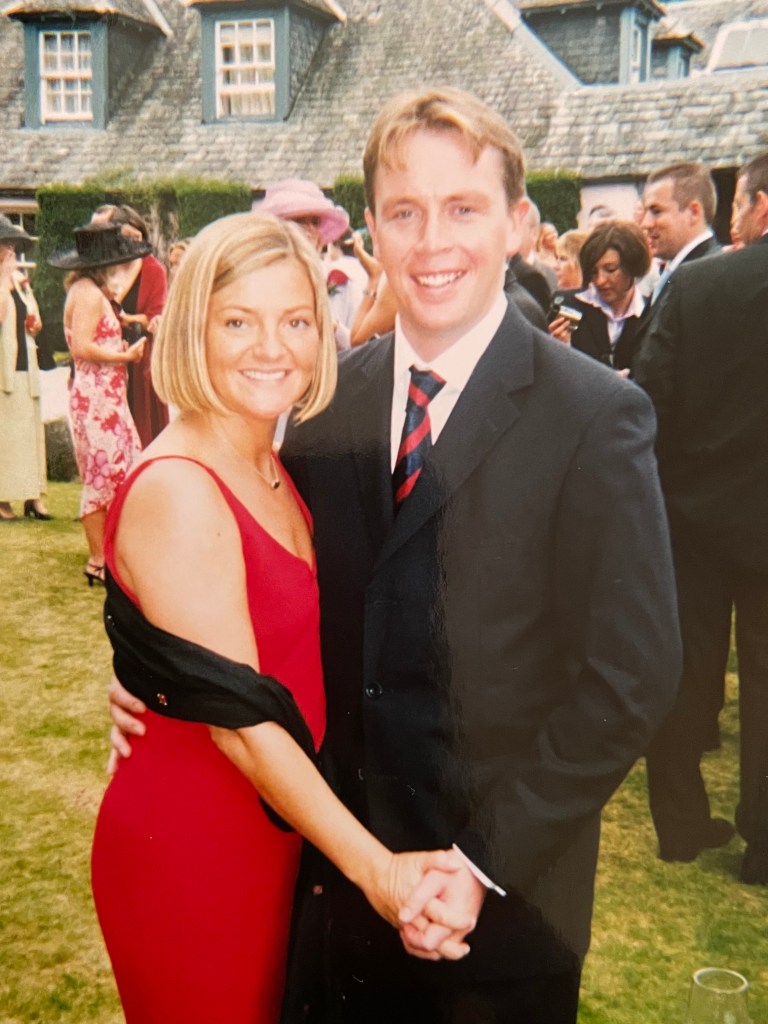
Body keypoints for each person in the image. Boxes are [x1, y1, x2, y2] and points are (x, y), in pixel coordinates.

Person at [110, 87, 680, 1024]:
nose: (432, 240)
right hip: (333, 899)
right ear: (372, 228)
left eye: (463, 208)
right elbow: (258, 588)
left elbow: (633, 676)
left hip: (498, 922)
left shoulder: (593, 416)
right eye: (404, 212)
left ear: (518, 223)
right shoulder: (323, 404)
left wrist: (484, 865)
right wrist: (158, 669)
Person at [92, 211, 467, 1024]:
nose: (272, 347)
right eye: (238, 322)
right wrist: (379, 871)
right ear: (193, 330)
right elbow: (241, 726)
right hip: (194, 847)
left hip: (279, 836)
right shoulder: (182, 487)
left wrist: (142, 668)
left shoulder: (271, 458)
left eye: (295, 321)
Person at [633, 153, 768, 883]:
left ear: (762, 206)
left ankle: (681, 825)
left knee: (684, 671)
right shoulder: (700, 281)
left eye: (739, 202)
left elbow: (650, 395)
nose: (734, 217)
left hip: (694, 515)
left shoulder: (699, 285)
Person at [49, 224, 148, 584]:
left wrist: (119, 340)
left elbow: (93, 338)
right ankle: (97, 560)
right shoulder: (89, 294)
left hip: (104, 396)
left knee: (121, 467)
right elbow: (81, 348)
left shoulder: (87, 290)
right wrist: (125, 357)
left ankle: (111, 554)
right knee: (101, 474)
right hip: (97, 400)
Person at [91, 204, 170, 446]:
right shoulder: (103, 269)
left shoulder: (153, 269)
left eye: (137, 236)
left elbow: (155, 315)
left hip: (139, 359)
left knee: (142, 430)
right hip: (107, 355)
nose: (132, 243)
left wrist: (130, 319)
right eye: (126, 237)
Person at [257, 179, 361, 350]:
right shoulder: (255, 283)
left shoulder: (341, 283)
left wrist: (334, 330)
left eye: (315, 222)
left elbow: (364, 350)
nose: (310, 230)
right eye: (299, 221)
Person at [0, 217, 51, 522]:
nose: (10, 250)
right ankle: (3, 497)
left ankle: (34, 497)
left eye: (11, 245)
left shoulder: (21, 282)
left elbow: (35, 319)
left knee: (30, 430)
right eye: (4, 245)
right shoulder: (4, 281)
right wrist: (4, 280)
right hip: (3, 366)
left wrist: (34, 324)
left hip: (26, 362)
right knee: (6, 431)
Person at [549, 220, 650, 372]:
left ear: (633, 266)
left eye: (610, 269)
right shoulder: (569, 306)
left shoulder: (650, 313)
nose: (600, 281)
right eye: (594, 271)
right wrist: (556, 349)